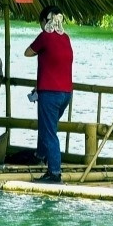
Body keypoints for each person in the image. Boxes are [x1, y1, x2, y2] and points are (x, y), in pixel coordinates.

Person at [23, 10, 74, 184]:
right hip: (66, 93)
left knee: (49, 132)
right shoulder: (66, 38)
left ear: (45, 21)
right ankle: (41, 155)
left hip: (50, 93)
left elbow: (28, 52)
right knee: (48, 128)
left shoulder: (45, 36)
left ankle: (54, 172)